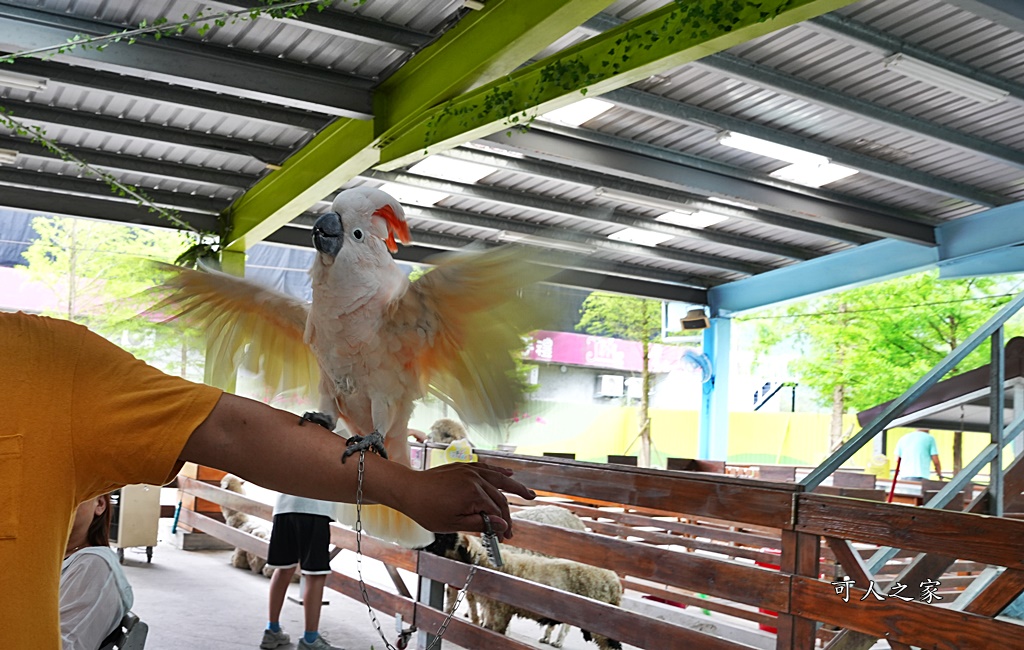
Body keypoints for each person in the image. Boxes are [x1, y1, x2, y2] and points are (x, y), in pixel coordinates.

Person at [0, 311, 535, 646]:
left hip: (334, 494)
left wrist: (407, 487)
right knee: (287, 568)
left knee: (310, 571)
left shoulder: (44, 362)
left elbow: (232, 430)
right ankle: (282, 629)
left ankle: (299, 632)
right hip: (297, 507)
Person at [261, 493, 337, 650]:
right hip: (315, 508)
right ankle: (310, 639)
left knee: (283, 569)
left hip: (283, 508)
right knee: (315, 575)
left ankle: (272, 630)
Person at [60, 494, 133, 650]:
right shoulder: (51, 559)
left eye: (69, 493)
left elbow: (63, 645)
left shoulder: (94, 565)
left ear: (99, 503)